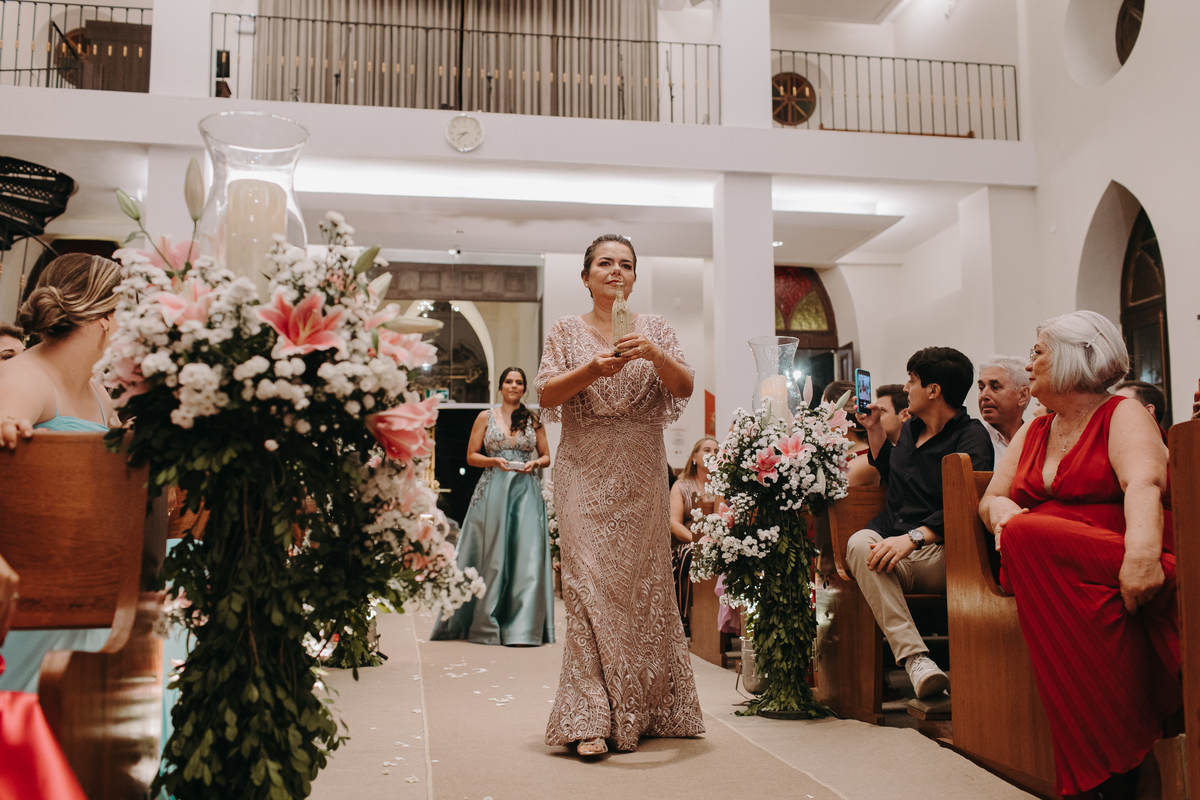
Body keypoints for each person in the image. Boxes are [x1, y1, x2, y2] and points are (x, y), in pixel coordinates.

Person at [979, 311, 1178, 800]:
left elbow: (1145, 484)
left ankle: (1104, 772)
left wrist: (1142, 556)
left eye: (1038, 352)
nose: (1029, 364)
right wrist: (1002, 511)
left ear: (1074, 357)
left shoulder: (1122, 413)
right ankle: (1110, 766)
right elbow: (991, 498)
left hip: (1122, 554)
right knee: (1026, 535)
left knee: (1028, 534)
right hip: (1050, 571)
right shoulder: (1035, 429)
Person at [536, 233, 703, 756]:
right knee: (587, 589)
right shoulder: (566, 330)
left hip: (641, 473)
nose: (616, 271)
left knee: (640, 592)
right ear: (586, 277)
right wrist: (591, 369)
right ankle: (588, 717)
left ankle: (642, 707)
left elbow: (684, 387)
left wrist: (655, 354)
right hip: (583, 472)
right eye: (605, 263)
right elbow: (546, 393)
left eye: (625, 264)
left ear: (634, 276)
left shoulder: (657, 328)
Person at [0, 254, 121, 692]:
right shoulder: (25, 378)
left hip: (92, 590)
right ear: (106, 317)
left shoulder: (99, 393)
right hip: (35, 595)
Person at [852, 347, 993, 698]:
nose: (906, 388)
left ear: (933, 391)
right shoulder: (910, 429)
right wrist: (873, 429)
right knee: (858, 544)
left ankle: (915, 660)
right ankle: (917, 661)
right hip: (895, 544)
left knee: (873, 555)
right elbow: (892, 471)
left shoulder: (971, 437)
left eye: (912, 381)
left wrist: (913, 538)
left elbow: (966, 502)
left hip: (943, 553)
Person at [431, 367, 555, 646]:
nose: (514, 386)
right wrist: (494, 461)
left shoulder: (533, 419)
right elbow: (471, 456)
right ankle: (485, 621)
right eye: (509, 381)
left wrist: (536, 463)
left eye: (519, 382)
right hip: (494, 488)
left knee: (527, 553)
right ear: (500, 387)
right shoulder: (484, 417)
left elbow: (547, 455)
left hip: (525, 490)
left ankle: (523, 628)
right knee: (491, 551)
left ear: (524, 388)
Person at [669, 437, 718, 636]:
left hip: (719, 541)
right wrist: (697, 540)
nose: (712, 454)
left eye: (716, 451)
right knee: (691, 554)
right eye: (707, 450)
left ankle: (724, 623)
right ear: (694, 457)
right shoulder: (682, 486)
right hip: (689, 541)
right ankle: (685, 617)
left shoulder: (724, 486)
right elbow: (674, 523)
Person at [977, 355, 1032, 461]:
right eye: (981, 388)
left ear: (1023, 395)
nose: (984, 395)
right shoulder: (971, 442)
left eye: (995, 387)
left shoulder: (1039, 441)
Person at [823, 380, 877, 486]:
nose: (821, 417)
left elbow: (830, 490)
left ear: (843, 414)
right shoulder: (833, 453)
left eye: (825, 410)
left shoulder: (867, 461)